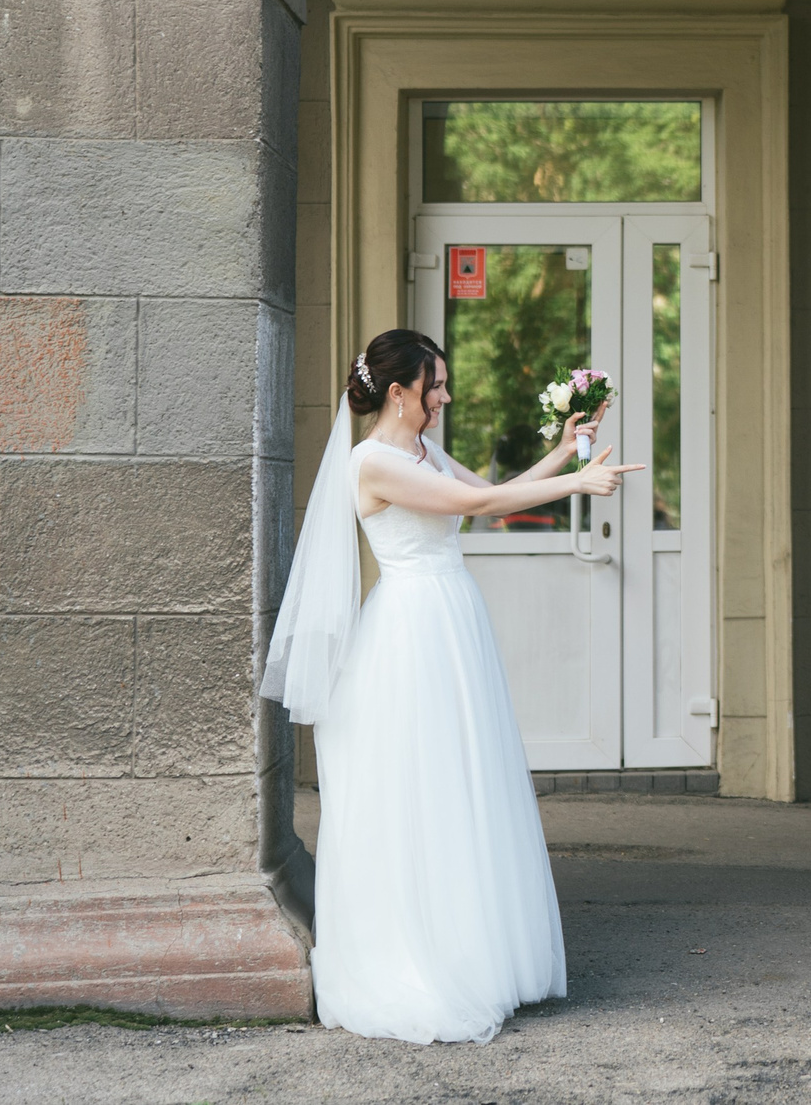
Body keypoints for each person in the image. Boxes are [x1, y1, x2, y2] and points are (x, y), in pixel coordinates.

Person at [260, 328, 637, 1044]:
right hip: (411, 631)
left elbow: (482, 494)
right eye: (435, 384)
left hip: (450, 620)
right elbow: (484, 503)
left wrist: (565, 449)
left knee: (467, 783)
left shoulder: (419, 450)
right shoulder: (372, 462)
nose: (446, 395)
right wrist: (578, 483)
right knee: (424, 789)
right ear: (398, 392)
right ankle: (425, 959)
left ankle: (480, 954)